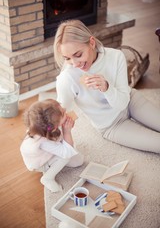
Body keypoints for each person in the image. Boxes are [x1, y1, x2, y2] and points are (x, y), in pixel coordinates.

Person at [54, 19, 160, 154]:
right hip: (111, 126)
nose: (75, 64)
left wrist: (107, 88)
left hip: (130, 101)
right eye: (67, 58)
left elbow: (122, 103)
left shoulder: (115, 56)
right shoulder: (67, 78)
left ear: (91, 43)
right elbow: (59, 111)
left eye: (78, 55)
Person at [20, 99, 84, 192]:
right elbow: (66, 153)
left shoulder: (44, 127)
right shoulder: (43, 142)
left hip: (49, 152)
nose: (65, 109)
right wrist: (67, 131)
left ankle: (61, 156)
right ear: (53, 127)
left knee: (79, 161)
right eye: (63, 113)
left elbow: (59, 139)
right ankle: (47, 178)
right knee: (66, 156)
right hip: (41, 163)